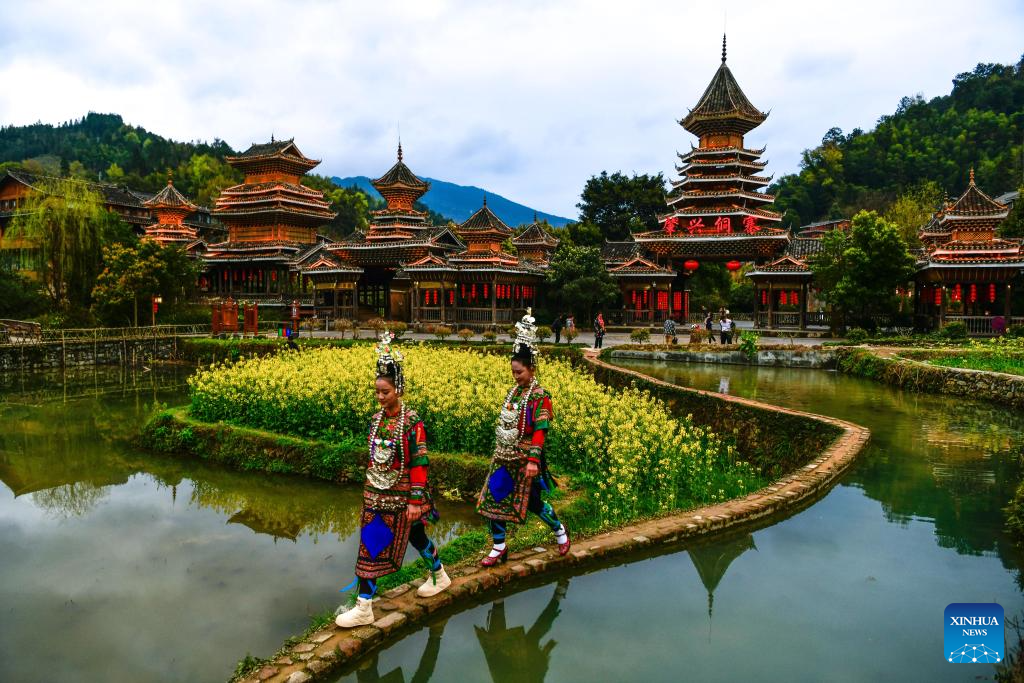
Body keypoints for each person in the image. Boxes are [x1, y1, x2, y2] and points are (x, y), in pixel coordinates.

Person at [336, 331, 451, 628]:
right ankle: (437, 575)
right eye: (377, 392)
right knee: (375, 542)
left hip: (402, 499)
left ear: (398, 388)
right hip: (377, 496)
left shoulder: (412, 423)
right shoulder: (376, 421)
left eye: (385, 392)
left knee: (391, 540)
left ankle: (365, 606)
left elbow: (419, 463)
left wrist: (415, 500)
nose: (380, 397)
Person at [477, 310, 570, 567]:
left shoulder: (540, 396)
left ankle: (560, 531)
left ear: (531, 369)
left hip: (526, 459)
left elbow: (540, 431)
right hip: (505, 457)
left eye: (519, 372)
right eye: (513, 372)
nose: (515, 376)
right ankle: (499, 546)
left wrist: (533, 461)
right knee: (493, 498)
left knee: (534, 504)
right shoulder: (514, 393)